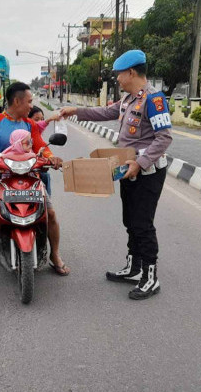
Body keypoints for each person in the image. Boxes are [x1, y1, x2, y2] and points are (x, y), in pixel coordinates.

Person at [60, 49, 172, 300]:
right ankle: (133, 268)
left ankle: (150, 277)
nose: (117, 79)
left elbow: (164, 138)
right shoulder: (128, 100)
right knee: (130, 221)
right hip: (128, 170)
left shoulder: (153, 99)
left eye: (119, 74)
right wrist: (74, 110)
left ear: (131, 72)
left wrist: (140, 163)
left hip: (148, 172)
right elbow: (104, 113)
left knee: (143, 224)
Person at [0, 82, 69, 277]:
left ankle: (55, 255)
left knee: (50, 215)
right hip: (3, 179)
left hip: (32, 178)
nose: (31, 106)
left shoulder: (30, 124)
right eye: (29, 101)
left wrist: (50, 158)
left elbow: (41, 146)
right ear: (17, 101)